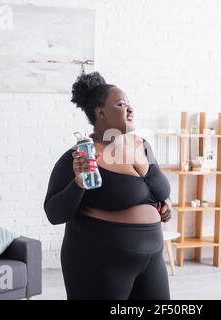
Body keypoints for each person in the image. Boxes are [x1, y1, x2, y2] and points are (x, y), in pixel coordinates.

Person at [44, 71, 172, 300]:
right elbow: (54, 213)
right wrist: (79, 182)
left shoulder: (143, 145)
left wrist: (165, 202)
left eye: (130, 104)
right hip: (101, 261)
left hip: (152, 257)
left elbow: (153, 189)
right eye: (121, 104)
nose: (130, 109)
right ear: (100, 112)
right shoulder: (79, 157)